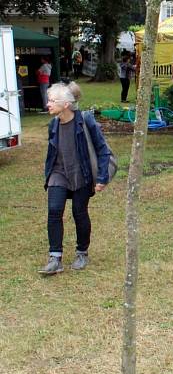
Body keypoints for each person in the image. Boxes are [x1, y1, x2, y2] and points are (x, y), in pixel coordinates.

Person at [40, 82, 113, 275]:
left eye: (52, 101)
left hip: (81, 174)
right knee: (54, 211)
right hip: (59, 173)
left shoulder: (85, 121)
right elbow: (52, 152)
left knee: (79, 213)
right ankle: (55, 258)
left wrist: (102, 178)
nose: (48, 104)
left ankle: (82, 252)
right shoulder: (53, 124)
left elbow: (102, 150)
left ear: (65, 104)